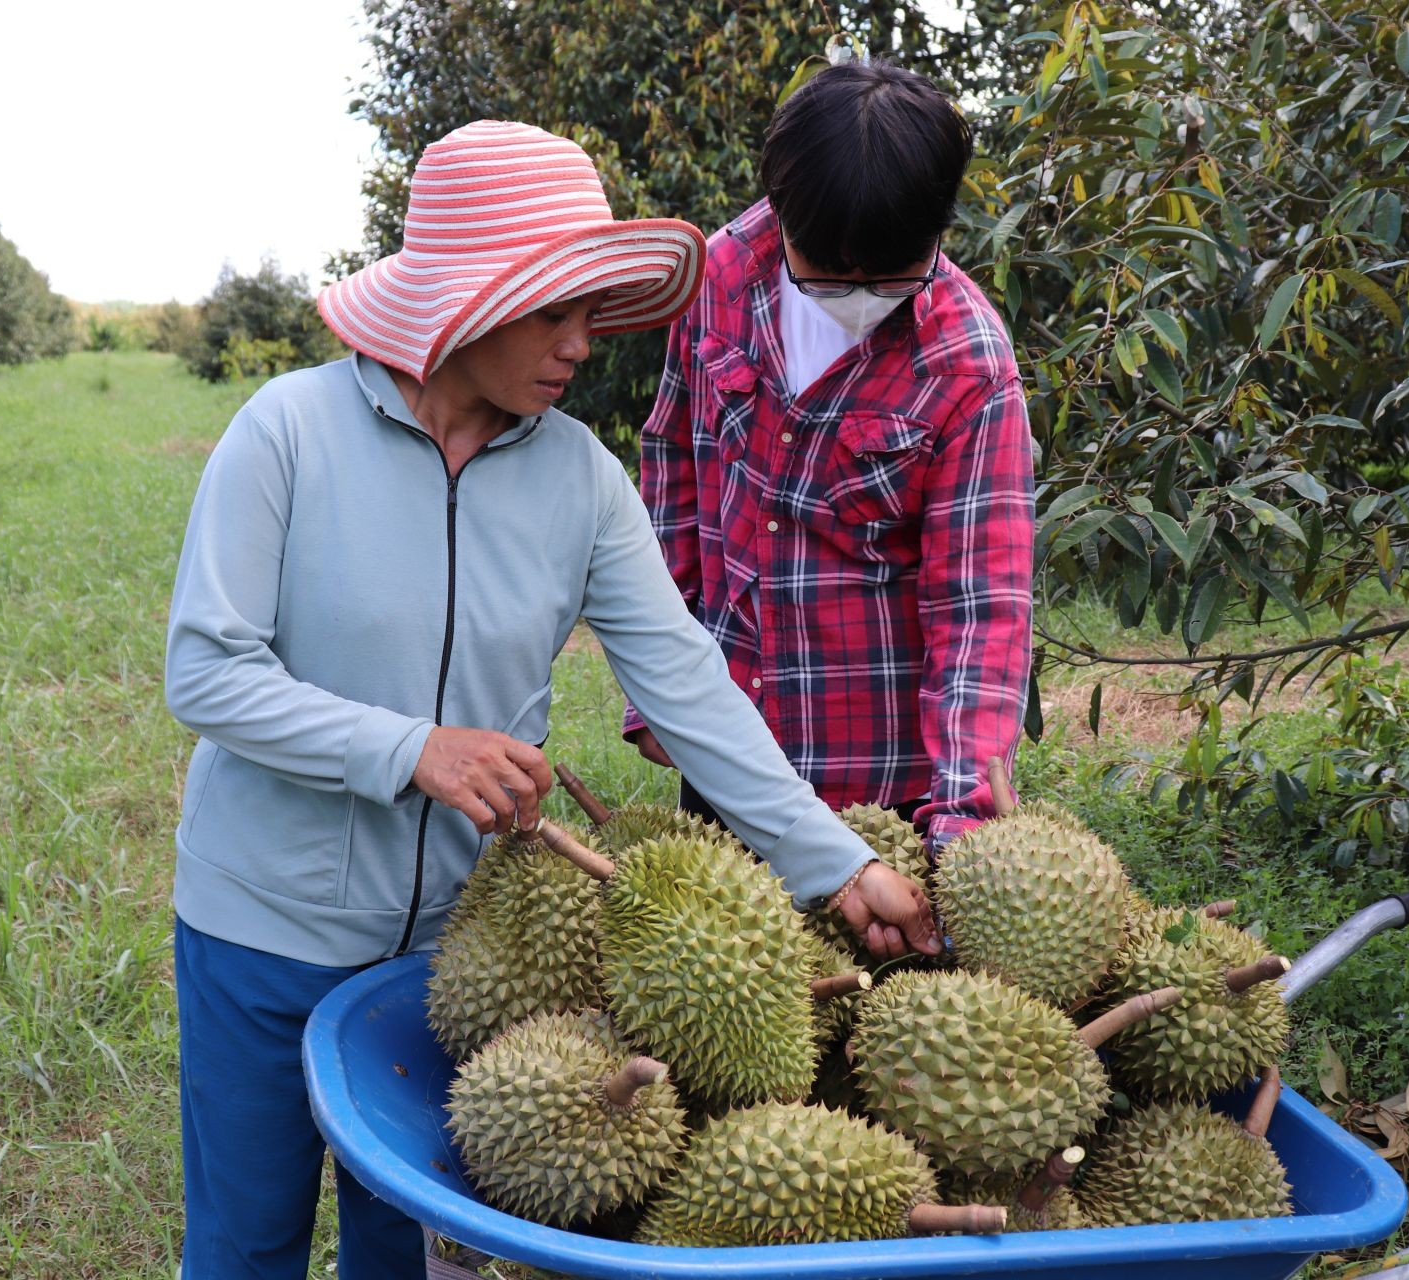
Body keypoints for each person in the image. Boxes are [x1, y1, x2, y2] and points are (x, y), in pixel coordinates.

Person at [163, 121, 940, 1280]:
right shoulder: (287, 433)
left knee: (405, 1250)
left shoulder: (580, 476)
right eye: (553, 311)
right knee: (247, 1238)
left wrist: (834, 861)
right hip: (261, 929)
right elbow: (208, 670)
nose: (583, 343)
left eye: (593, 310)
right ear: (468, 300)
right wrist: (410, 747)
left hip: (451, 951)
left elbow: (687, 684)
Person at [624, 61, 1035, 850]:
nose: (857, 297)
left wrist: (961, 828)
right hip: (729, 748)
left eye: (887, 280)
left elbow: (981, 608)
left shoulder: (968, 366)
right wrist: (659, 698)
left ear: (937, 230)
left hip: (880, 787)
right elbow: (670, 470)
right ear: (782, 216)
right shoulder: (714, 280)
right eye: (828, 279)